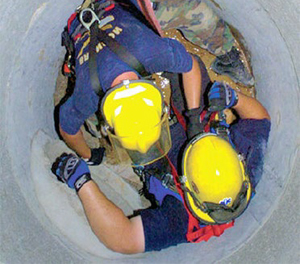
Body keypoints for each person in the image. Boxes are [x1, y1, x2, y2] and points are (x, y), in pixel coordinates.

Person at [52, 74, 271, 253]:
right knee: (187, 67)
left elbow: (122, 239)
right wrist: (234, 99)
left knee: (108, 113)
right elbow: (260, 120)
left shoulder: (181, 220)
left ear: (186, 183)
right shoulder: (245, 170)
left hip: (155, 157)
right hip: (197, 123)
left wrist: (83, 182)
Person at [58, 0, 204, 165]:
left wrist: (195, 117)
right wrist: (88, 156)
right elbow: (66, 128)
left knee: (198, 14)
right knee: (92, 125)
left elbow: (191, 66)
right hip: (99, 11)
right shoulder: (88, 92)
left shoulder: (153, 54)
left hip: (108, 8)